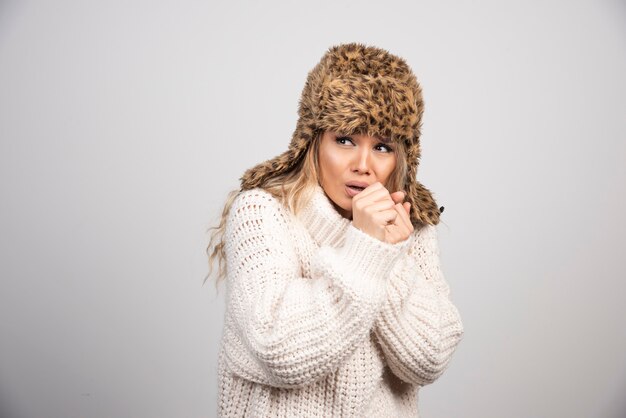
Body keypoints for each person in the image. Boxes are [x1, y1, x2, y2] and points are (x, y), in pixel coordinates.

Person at [206, 42, 464, 418]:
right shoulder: (263, 213)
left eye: (382, 146)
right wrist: (366, 249)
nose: (364, 165)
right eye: (345, 140)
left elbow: (429, 359)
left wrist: (388, 250)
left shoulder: (409, 230)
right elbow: (281, 350)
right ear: (313, 141)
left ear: (401, 157)